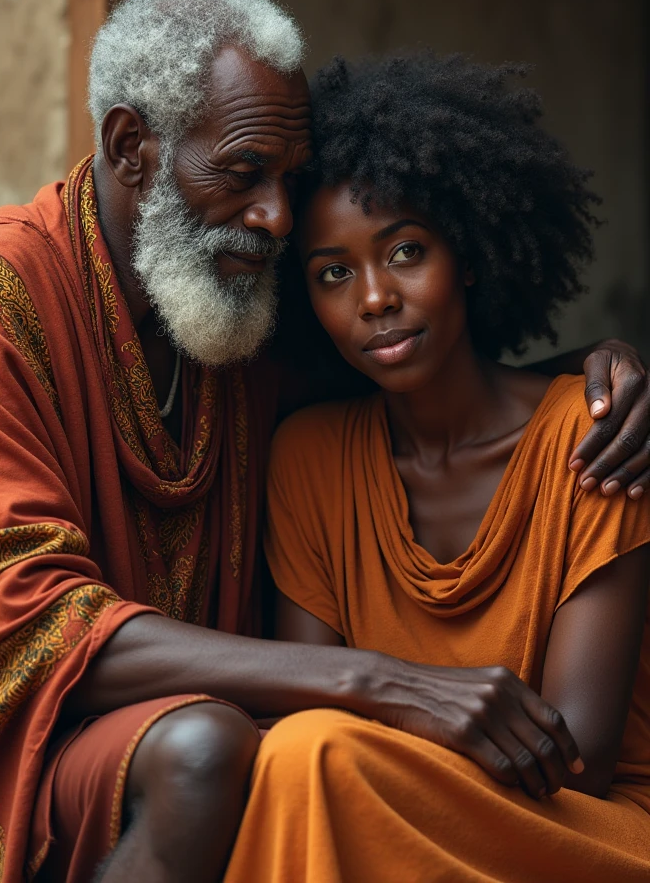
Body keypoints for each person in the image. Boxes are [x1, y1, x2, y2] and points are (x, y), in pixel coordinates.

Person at [0, 0, 648, 883]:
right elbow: (27, 614)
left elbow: (421, 363)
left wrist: (592, 368)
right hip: (31, 732)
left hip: (299, 745)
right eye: (245, 173)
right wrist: (380, 680)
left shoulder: (235, 300)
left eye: (287, 179)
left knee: (256, 751)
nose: (276, 217)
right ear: (133, 147)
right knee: (226, 750)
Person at [221, 52, 650, 882]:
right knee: (304, 754)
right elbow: (309, 704)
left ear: (473, 253)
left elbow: (578, 755)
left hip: (584, 832)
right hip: (373, 800)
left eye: (407, 251)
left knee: (314, 756)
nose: (374, 297)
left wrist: (379, 719)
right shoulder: (310, 459)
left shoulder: (595, 434)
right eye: (334, 274)